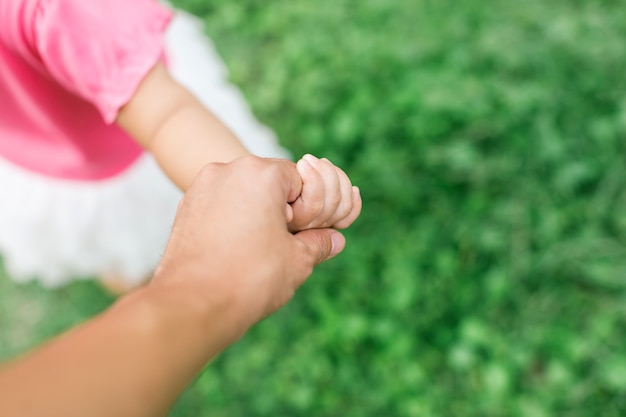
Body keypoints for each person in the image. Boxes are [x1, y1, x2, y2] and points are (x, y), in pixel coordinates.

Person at [0, 0, 360, 290]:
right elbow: (166, 117)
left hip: (37, 162)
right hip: (137, 151)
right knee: (138, 229)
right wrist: (258, 198)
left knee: (117, 245)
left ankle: (129, 272)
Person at [0, 156, 361, 417]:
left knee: (129, 253)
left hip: (130, 164)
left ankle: (137, 284)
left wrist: (264, 202)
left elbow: (166, 113)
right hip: (45, 184)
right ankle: (132, 281)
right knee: (115, 255)